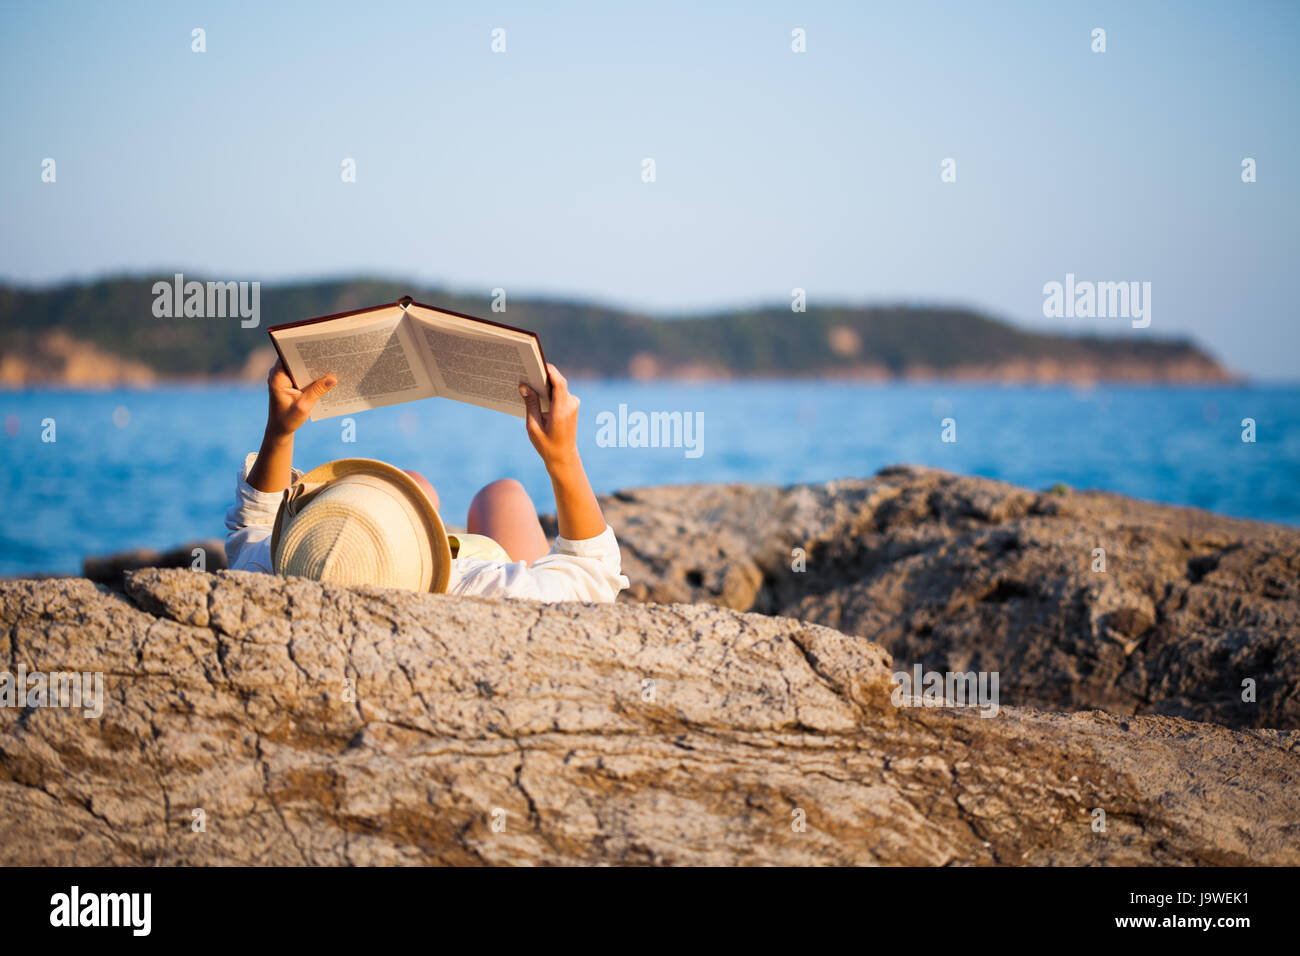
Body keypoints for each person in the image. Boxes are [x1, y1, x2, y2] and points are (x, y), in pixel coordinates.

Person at [224, 360, 628, 602]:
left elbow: (257, 522)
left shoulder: (276, 572)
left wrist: (280, 431)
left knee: (414, 483)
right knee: (504, 495)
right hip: (451, 576)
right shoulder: (481, 589)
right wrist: (563, 457)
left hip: (398, 569)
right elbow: (593, 577)